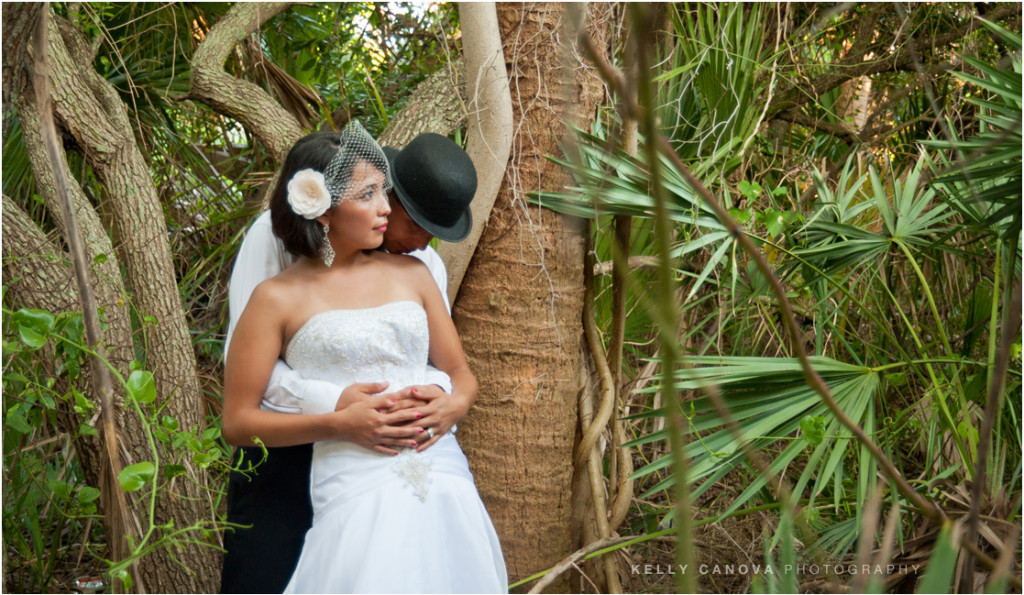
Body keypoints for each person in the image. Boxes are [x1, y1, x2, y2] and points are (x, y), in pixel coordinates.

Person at [221, 124, 505, 593]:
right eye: (371, 195)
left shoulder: (417, 270)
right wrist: (338, 415)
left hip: (439, 470)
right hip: (327, 465)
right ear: (324, 208)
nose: (384, 208)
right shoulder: (274, 288)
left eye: (384, 193)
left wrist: (454, 403)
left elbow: (457, 372)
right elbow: (240, 413)